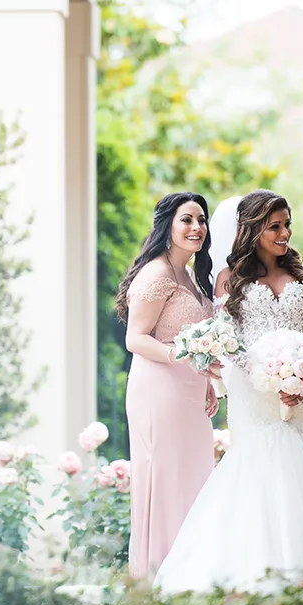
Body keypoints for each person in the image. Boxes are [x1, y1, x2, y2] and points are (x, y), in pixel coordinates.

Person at [153, 189, 303, 605]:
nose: (285, 234)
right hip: (253, 392)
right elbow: (231, 342)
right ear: (253, 229)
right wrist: (270, 378)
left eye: (287, 225)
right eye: (275, 226)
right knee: (255, 472)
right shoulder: (229, 279)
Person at [116, 191, 218, 579]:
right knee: (165, 480)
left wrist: (205, 375)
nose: (196, 228)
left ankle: (187, 577)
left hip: (190, 394)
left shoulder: (190, 275)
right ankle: (157, 578)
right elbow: (135, 340)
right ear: (168, 226)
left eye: (201, 220)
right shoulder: (156, 273)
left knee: (192, 481)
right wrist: (186, 355)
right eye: (187, 220)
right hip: (158, 391)